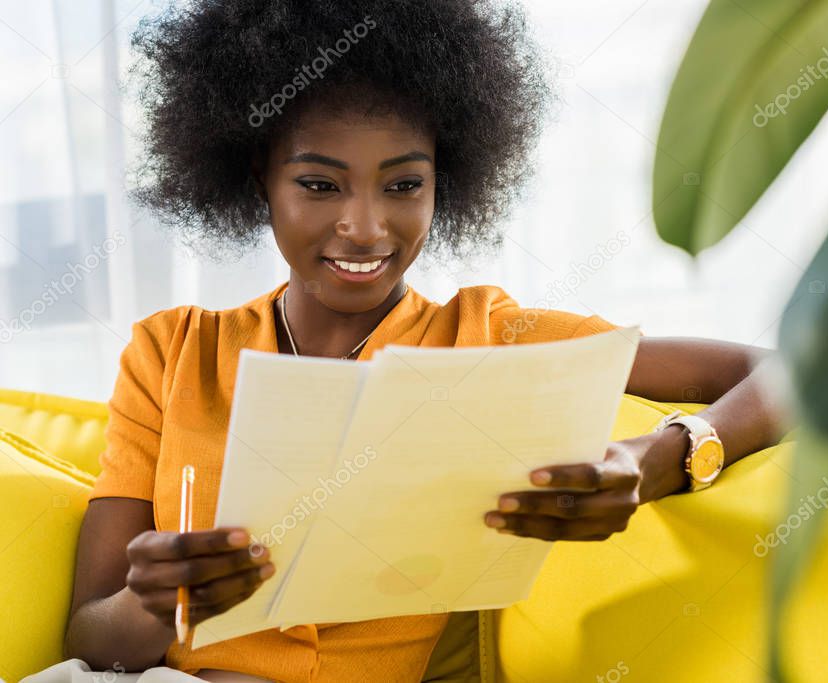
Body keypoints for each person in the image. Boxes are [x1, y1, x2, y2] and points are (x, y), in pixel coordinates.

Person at [58, 1, 788, 680]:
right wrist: (153, 603)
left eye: (403, 186)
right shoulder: (171, 351)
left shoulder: (493, 339)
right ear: (260, 180)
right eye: (319, 185)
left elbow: (788, 370)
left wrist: (660, 457)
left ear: (446, 180)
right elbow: (89, 636)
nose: (366, 228)